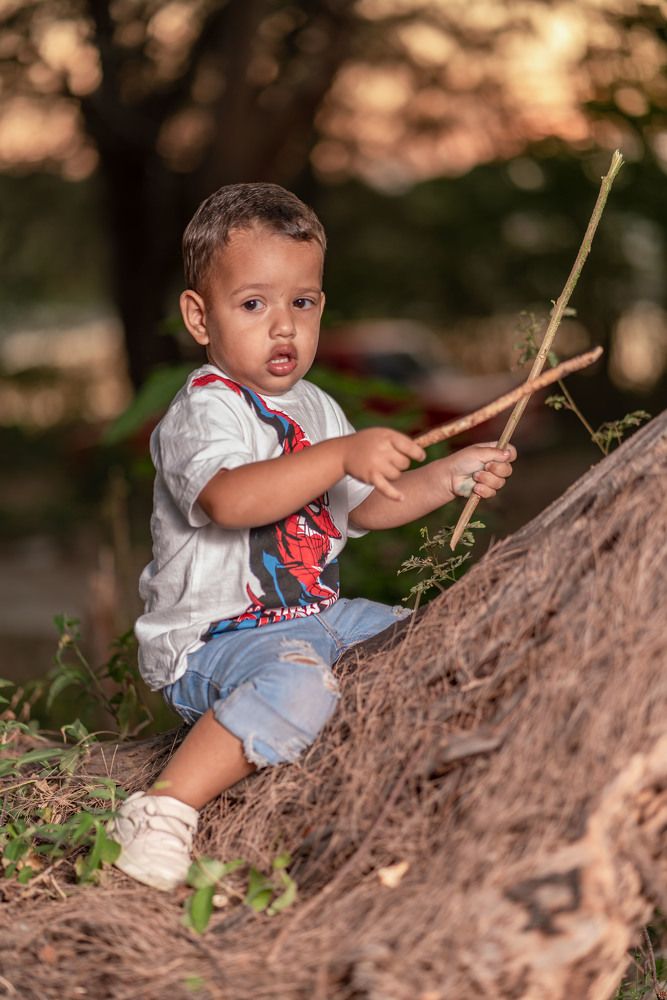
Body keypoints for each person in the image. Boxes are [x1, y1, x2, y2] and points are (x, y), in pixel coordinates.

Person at [108, 183, 516, 890]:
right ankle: (163, 807)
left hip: (312, 618)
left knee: (426, 637)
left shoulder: (316, 407)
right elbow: (231, 500)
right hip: (215, 641)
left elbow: (363, 508)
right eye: (253, 304)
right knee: (298, 683)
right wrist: (338, 456)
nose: (284, 328)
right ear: (199, 317)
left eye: (303, 302)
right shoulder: (201, 412)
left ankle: (425, 802)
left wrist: (450, 476)